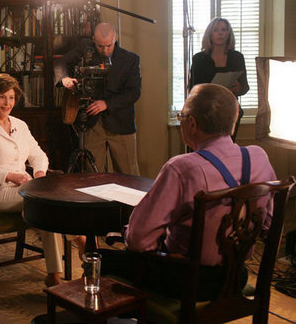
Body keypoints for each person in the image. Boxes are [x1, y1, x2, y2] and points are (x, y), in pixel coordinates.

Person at [99, 83, 276, 300]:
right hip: (236, 277)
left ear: (191, 123)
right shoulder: (258, 157)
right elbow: (267, 221)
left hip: (186, 283)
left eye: (181, 115)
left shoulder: (182, 168)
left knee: (101, 258)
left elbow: (139, 240)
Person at [0, 73, 64, 287]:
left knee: (44, 208)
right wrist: (9, 175)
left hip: (27, 188)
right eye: (2, 97)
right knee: (44, 203)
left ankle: (54, 275)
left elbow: (38, 155)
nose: (8, 103)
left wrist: (39, 174)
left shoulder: (21, 125)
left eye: (11, 98)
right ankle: (76, 240)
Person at [54, 22, 141, 175]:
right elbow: (60, 62)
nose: (105, 50)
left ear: (116, 39)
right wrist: (64, 79)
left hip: (121, 124)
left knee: (129, 175)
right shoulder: (85, 49)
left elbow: (134, 92)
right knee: (92, 176)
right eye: (100, 46)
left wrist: (107, 104)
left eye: (109, 45)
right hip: (91, 123)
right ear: (93, 39)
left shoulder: (130, 59)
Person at [190, 17, 249, 142]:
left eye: (224, 30)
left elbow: (245, 87)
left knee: (226, 150)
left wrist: (238, 88)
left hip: (230, 111)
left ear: (229, 34)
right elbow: (192, 88)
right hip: (205, 111)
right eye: (216, 30)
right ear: (210, 34)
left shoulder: (237, 57)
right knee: (208, 150)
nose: (220, 33)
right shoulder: (199, 58)